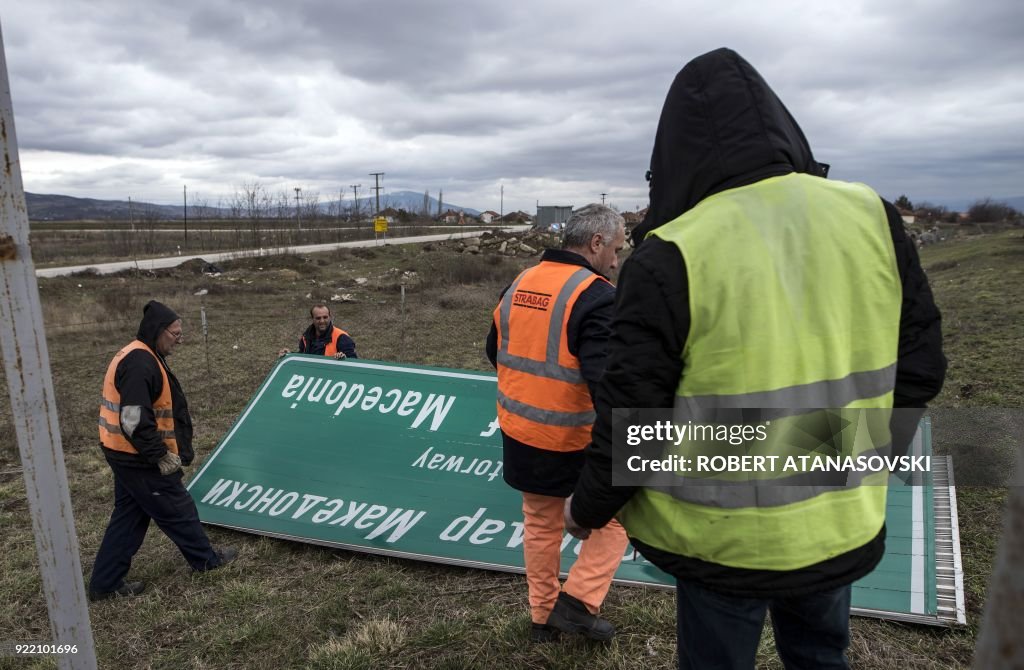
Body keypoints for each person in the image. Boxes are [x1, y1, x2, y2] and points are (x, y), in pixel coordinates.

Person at [565, 48, 946, 668]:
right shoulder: (871, 216)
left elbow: (635, 419)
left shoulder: (672, 251)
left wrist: (587, 509)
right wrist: (858, 452)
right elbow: (922, 365)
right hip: (839, 516)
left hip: (723, 542)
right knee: (822, 656)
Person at [486, 203, 630, 642]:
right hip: (572, 437)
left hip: (520, 431)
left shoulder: (521, 281)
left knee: (541, 524)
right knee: (620, 520)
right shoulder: (597, 295)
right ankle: (579, 604)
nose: (618, 261)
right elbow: (605, 380)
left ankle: (542, 617)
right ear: (596, 242)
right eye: (617, 250)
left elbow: (496, 350)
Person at [91, 300, 237, 601]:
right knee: (177, 507)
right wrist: (159, 455)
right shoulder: (140, 363)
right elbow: (133, 419)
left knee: (130, 515)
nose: (179, 340)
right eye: (175, 333)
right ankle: (207, 561)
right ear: (158, 331)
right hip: (138, 456)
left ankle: (105, 584)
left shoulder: (141, 353)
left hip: (123, 451)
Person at [278, 303, 357, 359]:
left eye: (325, 317)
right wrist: (289, 355)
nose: (322, 321)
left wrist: (344, 358)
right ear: (312, 319)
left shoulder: (342, 337)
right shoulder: (306, 337)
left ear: (330, 317)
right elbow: (303, 357)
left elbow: (354, 362)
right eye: (318, 318)